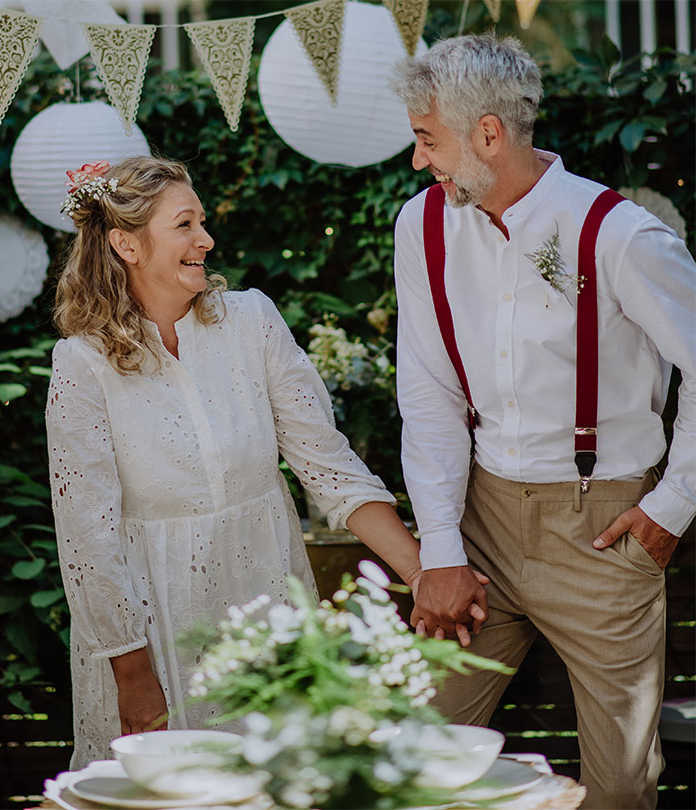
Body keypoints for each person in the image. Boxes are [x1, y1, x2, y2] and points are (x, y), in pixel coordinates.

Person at [46, 156, 450, 768]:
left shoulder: (253, 322)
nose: (205, 240)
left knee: (286, 779)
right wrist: (132, 673)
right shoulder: (82, 364)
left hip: (267, 602)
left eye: (202, 222)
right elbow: (88, 543)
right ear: (126, 243)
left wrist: (424, 575)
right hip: (152, 632)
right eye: (184, 225)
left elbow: (329, 469)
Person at [390, 33, 695, 810]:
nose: (420, 160)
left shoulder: (619, 234)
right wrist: (441, 548)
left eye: (429, 139)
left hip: (602, 528)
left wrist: (673, 505)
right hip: (481, 519)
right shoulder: (421, 227)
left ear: (487, 133)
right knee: (411, 760)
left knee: (622, 784)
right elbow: (428, 390)